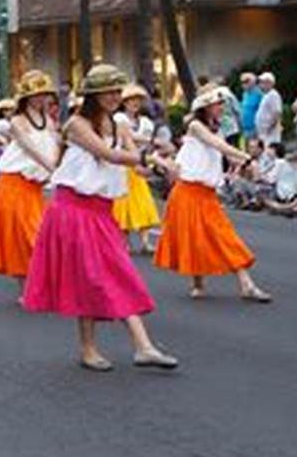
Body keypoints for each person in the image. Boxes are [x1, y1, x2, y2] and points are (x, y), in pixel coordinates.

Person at [22, 64, 178, 373]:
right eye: (108, 92)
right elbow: (111, 156)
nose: (115, 97)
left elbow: (134, 165)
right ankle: (119, 348)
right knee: (97, 277)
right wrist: (152, 158)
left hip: (101, 211)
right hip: (73, 210)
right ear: (92, 95)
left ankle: (132, 348)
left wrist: (164, 163)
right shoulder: (76, 125)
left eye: (118, 91)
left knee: (109, 274)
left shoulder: (118, 124)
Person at [155, 84, 272, 302]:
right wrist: (246, 158)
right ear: (206, 106)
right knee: (194, 239)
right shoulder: (196, 126)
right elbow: (217, 145)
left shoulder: (216, 128)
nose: (221, 107)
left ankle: (246, 284)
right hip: (187, 192)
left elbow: (223, 151)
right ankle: (198, 283)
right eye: (217, 103)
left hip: (206, 194)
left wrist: (249, 167)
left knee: (223, 236)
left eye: (221, 103)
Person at [0, 71, 60, 295]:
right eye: (35, 95)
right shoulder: (17, 121)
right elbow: (30, 148)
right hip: (13, 186)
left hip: (35, 189)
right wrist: (52, 168)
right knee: (26, 238)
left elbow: (56, 146)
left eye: (44, 94)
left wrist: (59, 169)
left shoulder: (50, 121)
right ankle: (25, 289)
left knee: (41, 238)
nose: (40, 99)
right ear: (25, 98)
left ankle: (37, 287)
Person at [112, 84, 161, 254]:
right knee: (123, 204)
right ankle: (124, 242)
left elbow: (145, 142)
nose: (135, 103)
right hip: (123, 164)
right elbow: (127, 137)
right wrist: (146, 141)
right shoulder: (118, 118)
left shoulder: (145, 122)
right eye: (131, 100)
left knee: (142, 202)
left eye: (138, 100)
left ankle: (145, 242)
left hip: (138, 163)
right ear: (124, 103)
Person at [255, 72, 284, 147]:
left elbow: (277, 113)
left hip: (270, 132)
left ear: (270, 83)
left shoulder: (273, 95)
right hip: (263, 132)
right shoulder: (266, 95)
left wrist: (270, 127)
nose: (260, 85)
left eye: (263, 82)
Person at [239, 72, 261, 145]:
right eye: (242, 82)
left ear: (253, 82)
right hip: (245, 128)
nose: (243, 84)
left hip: (255, 128)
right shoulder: (244, 94)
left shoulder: (259, 94)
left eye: (246, 81)